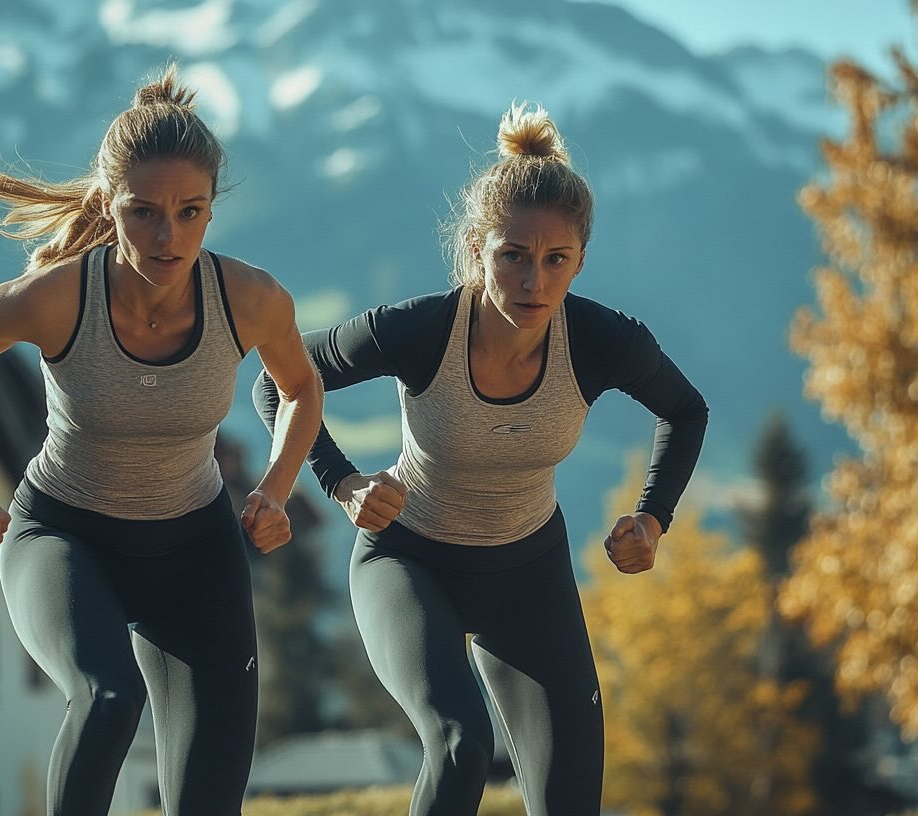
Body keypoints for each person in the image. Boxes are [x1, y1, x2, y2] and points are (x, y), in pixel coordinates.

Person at [0, 66, 322, 816]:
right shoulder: (51, 300)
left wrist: (276, 486)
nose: (166, 235)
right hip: (65, 536)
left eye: (190, 212)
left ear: (213, 210)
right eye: (143, 212)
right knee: (108, 700)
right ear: (108, 204)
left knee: (210, 798)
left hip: (196, 550)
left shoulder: (248, 299)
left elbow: (303, 388)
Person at [255, 102, 708, 815]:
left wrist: (653, 518)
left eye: (556, 260)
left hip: (528, 572)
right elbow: (279, 382)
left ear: (581, 261)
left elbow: (687, 411)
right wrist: (340, 484)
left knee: (571, 800)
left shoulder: (603, 341)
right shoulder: (421, 329)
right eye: (513, 257)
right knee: (462, 744)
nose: (534, 281)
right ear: (475, 250)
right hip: (407, 560)